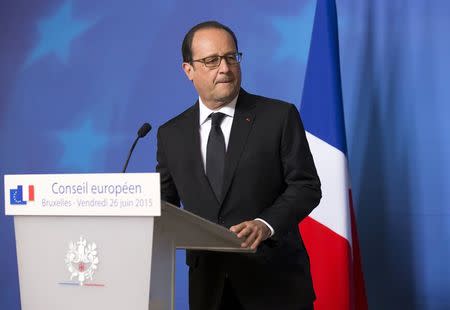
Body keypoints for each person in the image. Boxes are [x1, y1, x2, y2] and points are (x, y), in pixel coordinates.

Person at [156, 21, 321, 310]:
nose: (225, 68)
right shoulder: (171, 134)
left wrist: (265, 224)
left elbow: (306, 186)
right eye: (211, 60)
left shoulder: (278, 117)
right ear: (188, 70)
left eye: (231, 57)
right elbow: (163, 205)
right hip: (209, 288)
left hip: (275, 285)